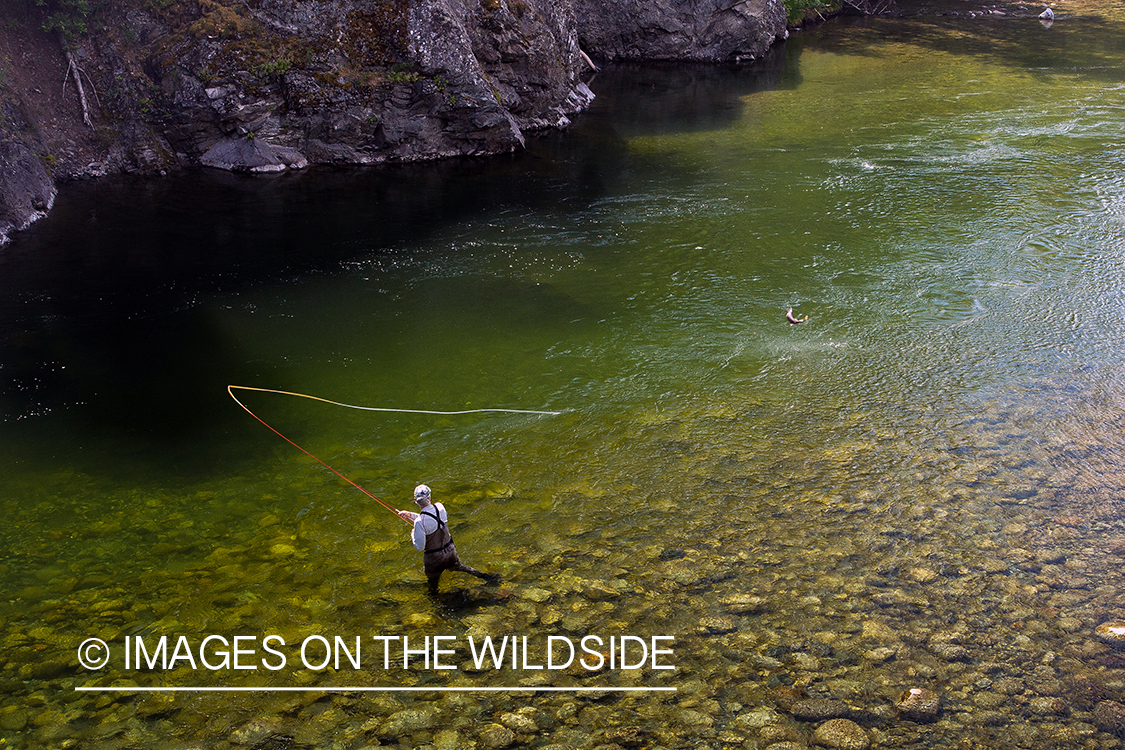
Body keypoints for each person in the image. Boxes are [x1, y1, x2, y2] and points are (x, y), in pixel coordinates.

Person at [396, 484, 497, 591]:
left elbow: (419, 546)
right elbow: (430, 518)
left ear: (415, 500)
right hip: (449, 551)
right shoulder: (440, 507)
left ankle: (436, 603)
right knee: (459, 567)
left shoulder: (419, 522)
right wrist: (410, 515)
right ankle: (487, 577)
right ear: (429, 497)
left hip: (434, 558)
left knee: (433, 583)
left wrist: (413, 534)